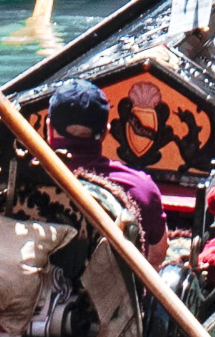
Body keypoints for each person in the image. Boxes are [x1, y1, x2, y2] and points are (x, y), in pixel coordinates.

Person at [46, 78, 168, 268]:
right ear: (106, 133)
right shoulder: (140, 189)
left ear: (48, 129)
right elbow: (157, 255)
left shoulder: (18, 178)